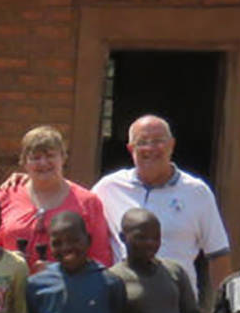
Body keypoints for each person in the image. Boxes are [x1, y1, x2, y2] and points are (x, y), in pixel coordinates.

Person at [91, 115, 231, 302]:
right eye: (142, 142)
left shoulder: (196, 192)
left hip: (178, 309)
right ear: (131, 149)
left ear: (172, 145)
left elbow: (218, 254)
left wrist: (220, 311)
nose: (150, 148)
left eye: (158, 141)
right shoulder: (108, 188)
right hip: (121, 307)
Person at [0, 125, 113, 273]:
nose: (43, 163)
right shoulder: (7, 195)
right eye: (35, 158)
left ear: (63, 158)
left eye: (50, 155)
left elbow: (100, 260)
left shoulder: (88, 202)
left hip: (66, 292)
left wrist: (57, 271)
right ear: (24, 162)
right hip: (12, 291)